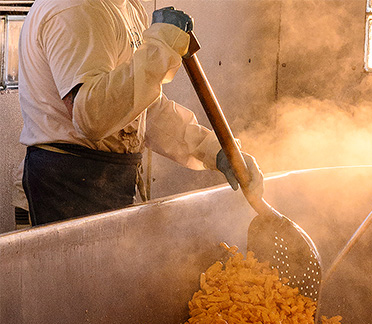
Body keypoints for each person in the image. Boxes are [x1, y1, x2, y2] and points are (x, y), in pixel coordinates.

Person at [18, 0, 262, 226]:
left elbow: (140, 110)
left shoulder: (126, 6)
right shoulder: (75, 7)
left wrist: (214, 150)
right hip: (66, 181)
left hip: (112, 175)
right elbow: (92, 117)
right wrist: (160, 49)